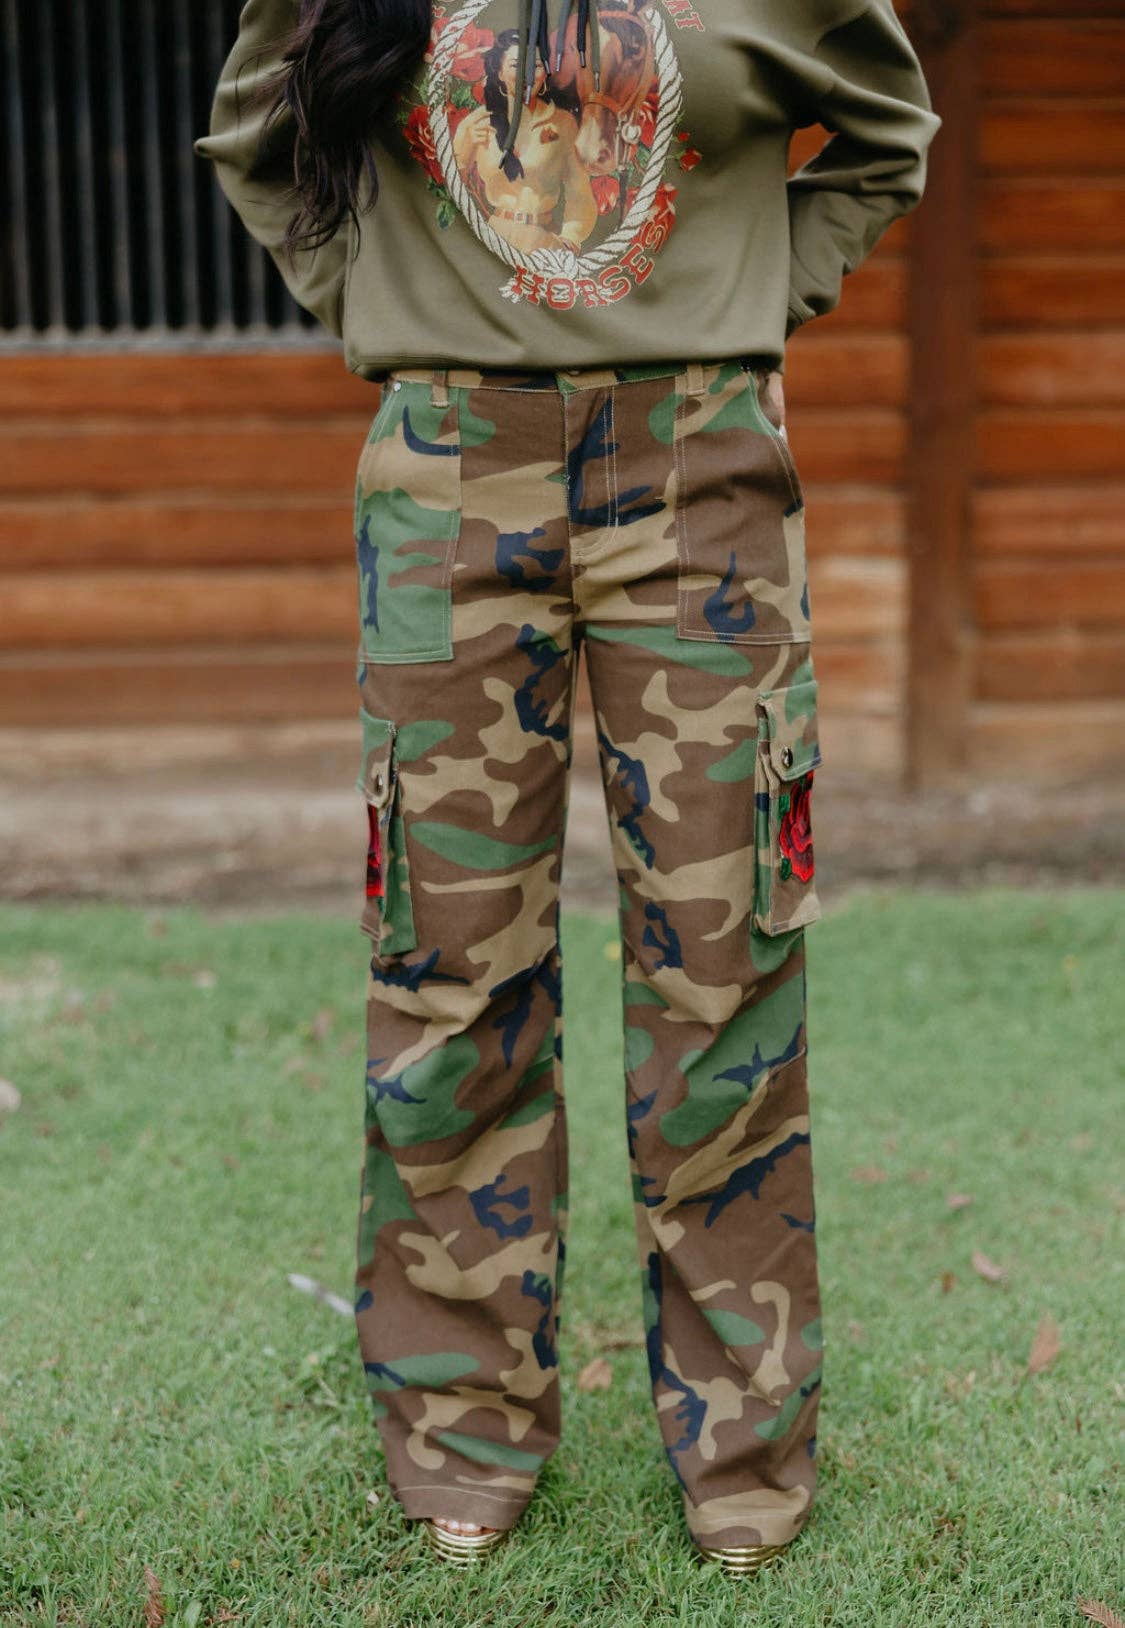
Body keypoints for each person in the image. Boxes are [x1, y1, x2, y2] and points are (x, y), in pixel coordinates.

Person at [195, 0, 940, 1574]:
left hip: (701, 478)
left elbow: (887, 136)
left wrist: (748, 297)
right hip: (451, 482)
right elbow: (254, 137)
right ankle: (462, 1434)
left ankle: (743, 1450)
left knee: (724, 969)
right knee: (449, 969)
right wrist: (384, 302)